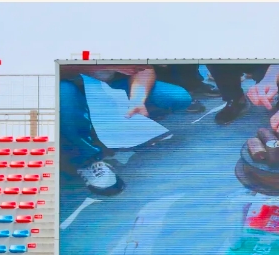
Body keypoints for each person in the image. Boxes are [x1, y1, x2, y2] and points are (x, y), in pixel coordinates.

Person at [59, 65, 194, 195]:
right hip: (69, 88)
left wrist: (137, 100)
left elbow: (144, 69)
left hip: (107, 87)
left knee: (177, 97)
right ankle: (87, 160)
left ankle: (123, 128)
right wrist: (102, 66)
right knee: (64, 96)